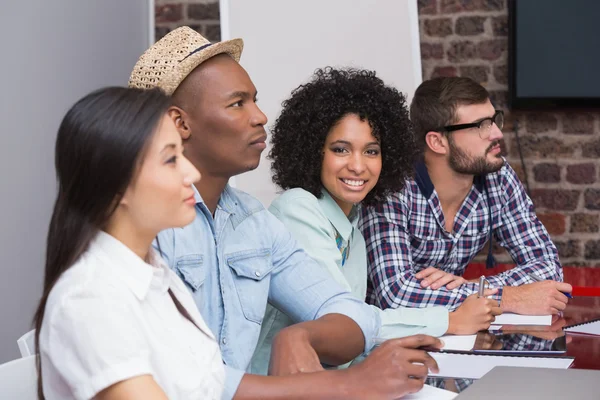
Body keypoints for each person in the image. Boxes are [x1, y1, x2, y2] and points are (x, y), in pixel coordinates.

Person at [128, 27, 442, 399]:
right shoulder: (143, 228)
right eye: (237, 104)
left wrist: (302, 334)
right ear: (180, 123)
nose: (261, 117)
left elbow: (352, 312)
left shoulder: (253, 221)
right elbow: (174, 376)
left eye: (255, 101)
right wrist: (342, 383)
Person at [250, 68, 501, 375]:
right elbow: (346, 318)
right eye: (341, 149)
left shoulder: (353, 224)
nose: (358, 166)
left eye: (371, 151)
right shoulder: (297, 210)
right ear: (313, 151)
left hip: (333, 384)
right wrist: (451, 320)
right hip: (277, 387)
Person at [34, 87, 225, 399]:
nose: (192, 173)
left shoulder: (156, 273)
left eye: (183, 154)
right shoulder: (89, 301)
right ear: (115, 185)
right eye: (170, 159)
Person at [360, 76, 572, 316]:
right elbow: (397, 294)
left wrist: (475, 288)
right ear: (437, 142)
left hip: (459, 333)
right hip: (385, 340)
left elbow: (547, 268)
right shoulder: (393, 186)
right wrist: (506, 297)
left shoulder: (498, 177)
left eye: (494, 120)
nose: (496, 134)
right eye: (481, 126)